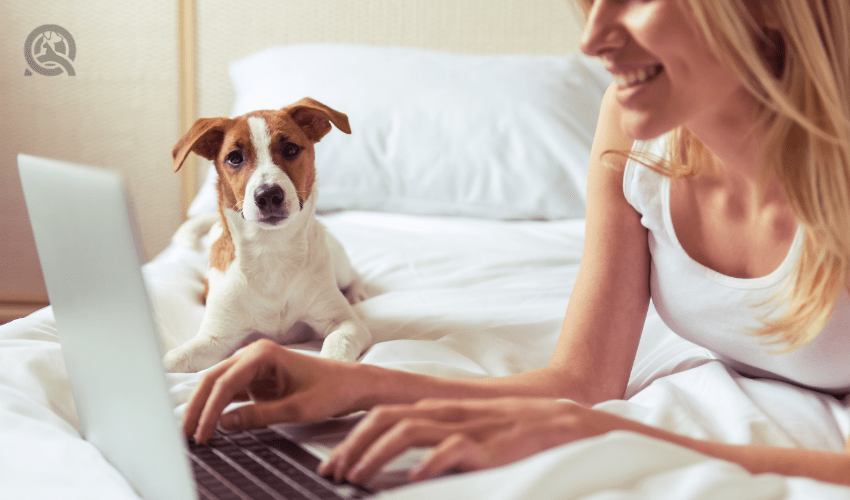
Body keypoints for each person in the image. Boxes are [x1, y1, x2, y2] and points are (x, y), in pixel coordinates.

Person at [183, 0, 850, 487]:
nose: (594, 38)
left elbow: (592, 412)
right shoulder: (631, 123)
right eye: (589, 0)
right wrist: (356, 385)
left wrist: (623, 436)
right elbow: (582, 381)